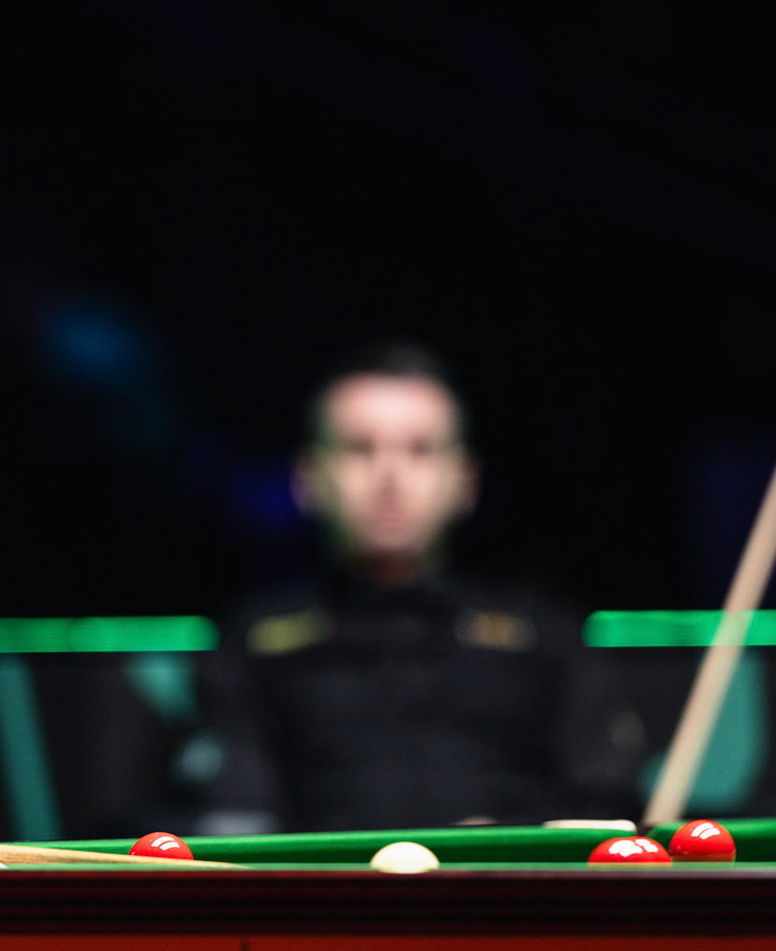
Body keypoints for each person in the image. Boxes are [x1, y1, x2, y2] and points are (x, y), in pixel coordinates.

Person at [195, 342, 641, 832]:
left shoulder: (545, 636)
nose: (390, 475)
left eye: (420, 450)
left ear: (465, 481)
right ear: (307, 478)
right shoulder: (254, 645)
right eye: (360, 448)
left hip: (509, 880)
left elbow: (605, 807)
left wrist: (506, 845)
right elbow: (236, 816)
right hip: (322, 884)